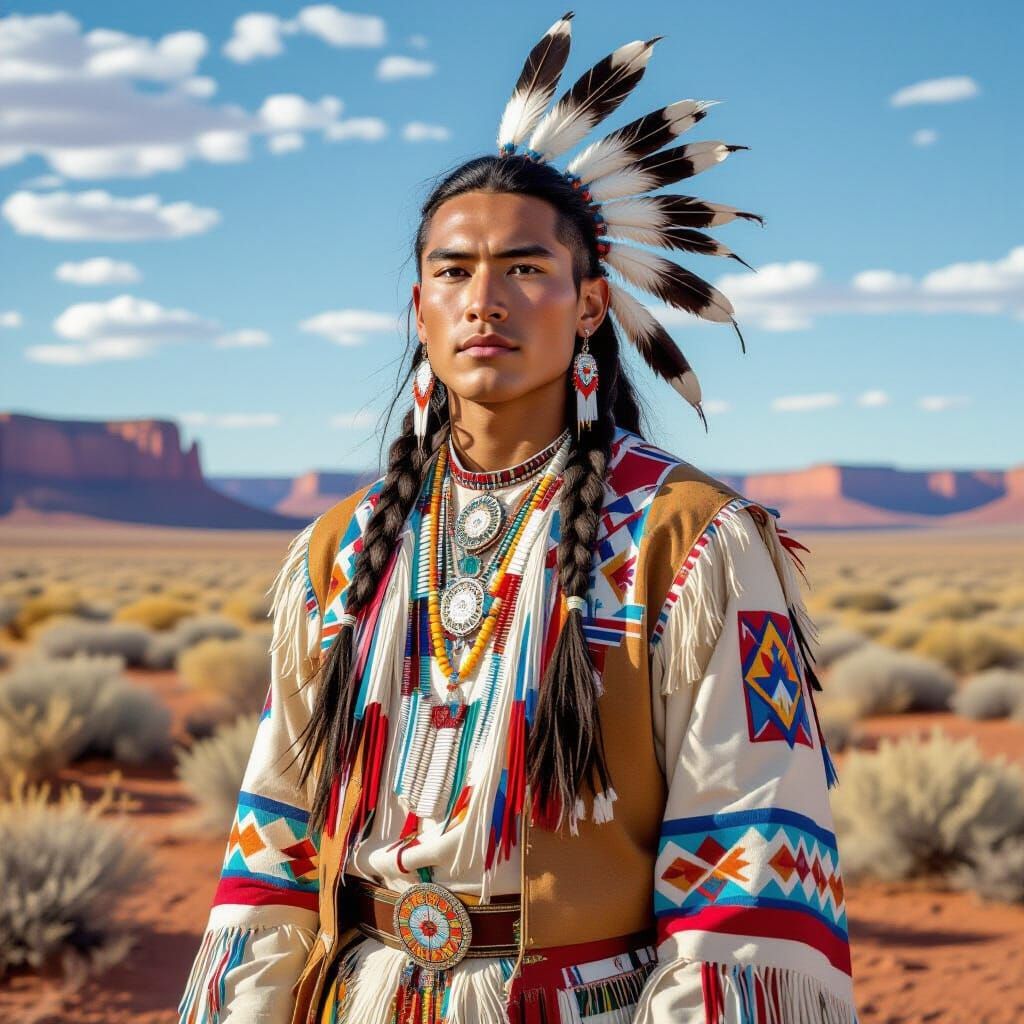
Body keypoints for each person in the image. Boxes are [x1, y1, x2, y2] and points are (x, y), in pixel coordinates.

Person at [179, 13, 859, 1024]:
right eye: (453, 271)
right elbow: (273, 844)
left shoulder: (690, 544)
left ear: (589, 305)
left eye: (525, 268)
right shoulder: (340, 551)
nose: (484, 300)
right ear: (419, 307)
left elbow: (750, 857)